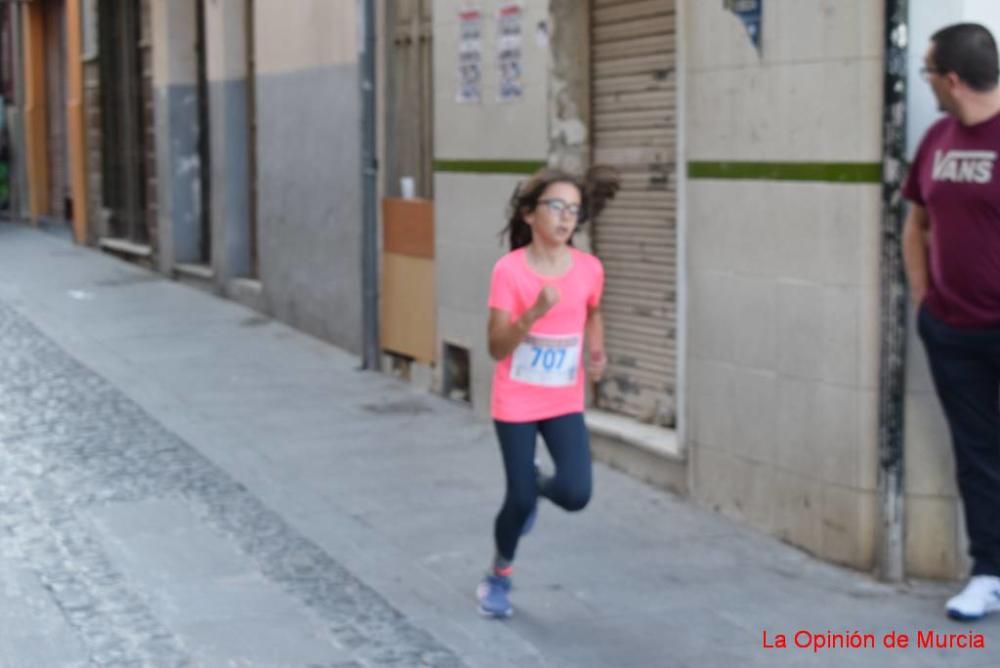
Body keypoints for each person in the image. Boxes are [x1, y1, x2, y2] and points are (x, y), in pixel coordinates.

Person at [476, 166, 619, 618]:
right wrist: (532, 314)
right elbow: (497, 346)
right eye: (555, 206)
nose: (564, 218)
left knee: (576, 492)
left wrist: (596, 350)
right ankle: (498, 575)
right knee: (516, 501)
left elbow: (592, 311)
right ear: (529, 213)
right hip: (516, 400)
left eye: (573, 211)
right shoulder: (510, 272)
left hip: (562, 398)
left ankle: (539, 484)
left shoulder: (589, 269)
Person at [902, 22, 1000, 621]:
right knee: (977, 454)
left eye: (929, 73)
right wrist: (922, 297)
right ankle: (989, 571)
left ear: (953, 79)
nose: (928, 85)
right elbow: (916, 223)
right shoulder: (937, 137)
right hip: (953, 332)